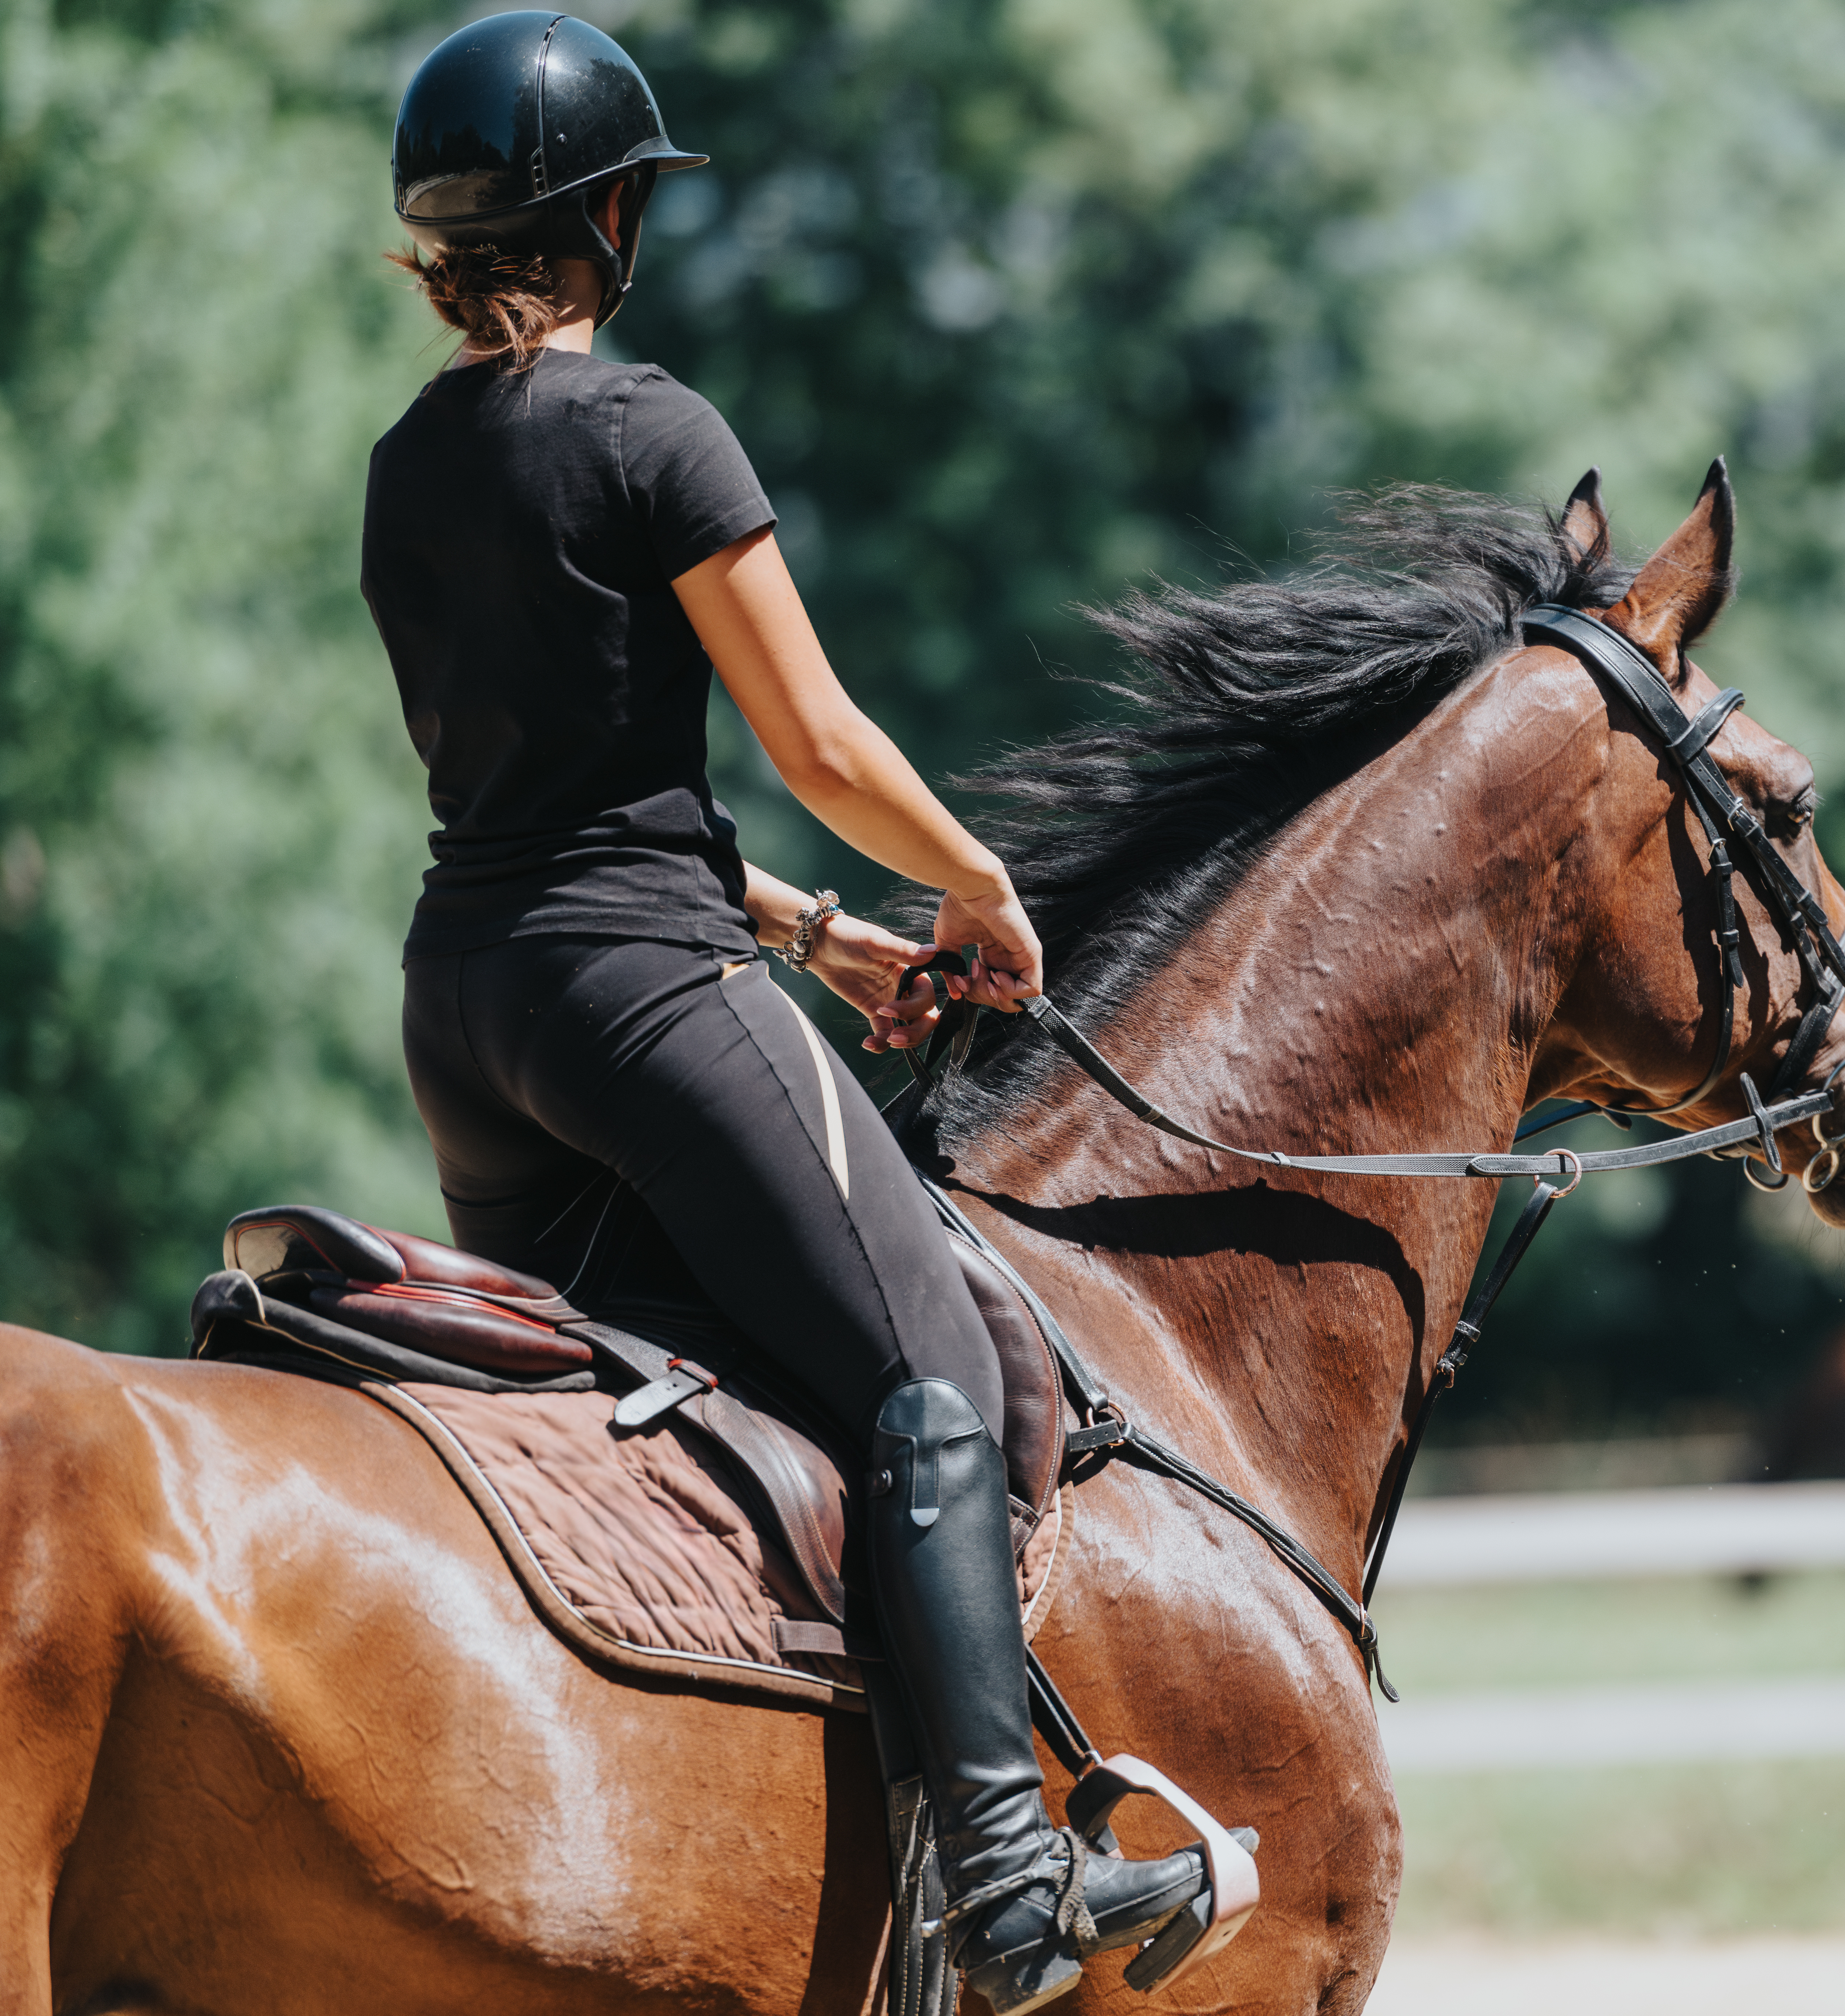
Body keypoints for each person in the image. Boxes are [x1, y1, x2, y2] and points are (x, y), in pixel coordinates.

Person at [363, 16, 1211, 2010]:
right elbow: (816, 734)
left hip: (469, 1012)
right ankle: (1006, 1877)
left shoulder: (409, 461)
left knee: (676, 1401)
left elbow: (547, 791)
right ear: (617, 213)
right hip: (642, 1003)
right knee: (939, 1374)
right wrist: (975, 885)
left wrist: (817, 934)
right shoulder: (658, 431)